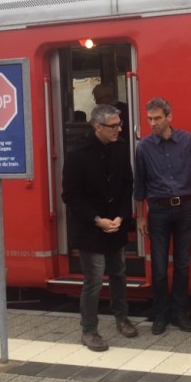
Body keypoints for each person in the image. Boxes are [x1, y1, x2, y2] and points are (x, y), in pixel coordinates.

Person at [134, 97, 191, 335]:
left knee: (183, 265)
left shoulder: (187, 140)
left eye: (157, 118)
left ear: (169, 117)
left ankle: (180, 313)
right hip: (158, 210)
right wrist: (140, 216)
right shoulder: (143, 147)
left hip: (184, 208)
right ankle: (160, 314)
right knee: (159, 266)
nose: (152, 123)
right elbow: (139, 184)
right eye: (149, 119)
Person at [61, 104, 138, 352]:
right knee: (94, 280)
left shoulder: (120, 147)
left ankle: (122, 319)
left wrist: (121, 216)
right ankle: (89, 331)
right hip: (90, 227)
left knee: (119, 273)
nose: (119, 129)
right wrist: (96, 219)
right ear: (97, 127)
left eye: (119, 125)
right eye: (113, 126)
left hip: (115, 223)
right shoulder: (77, 154)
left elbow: (127, 184)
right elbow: (70, 196)